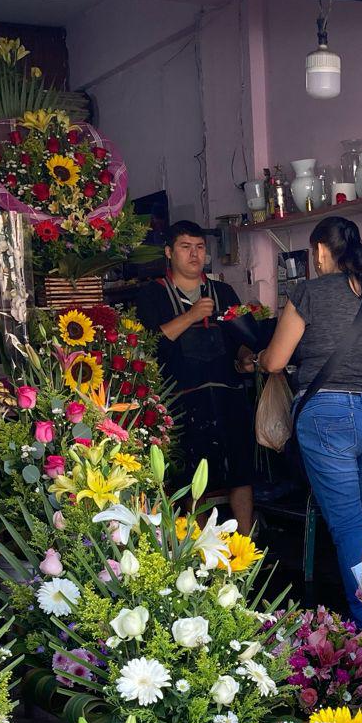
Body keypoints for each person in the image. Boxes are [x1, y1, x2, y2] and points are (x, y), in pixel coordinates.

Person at [260, 216, 362, 625]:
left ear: (321, 251)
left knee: (346, 527)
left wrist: (253, 359)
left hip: (328, 415)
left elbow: (275, 360)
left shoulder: (307, 291)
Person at [135, 220, 257, 532]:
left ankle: (246, 547)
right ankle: (199, 552)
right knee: (190, 481)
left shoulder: (224, 291)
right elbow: (150, 343)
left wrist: (245, 356)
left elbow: (243, 338)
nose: (194, 254)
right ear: (168, 252)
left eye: (200, 247)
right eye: (186, 247)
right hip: (179, 403)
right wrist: (191, 315)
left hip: (227, 397)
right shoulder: (152, 295)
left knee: (241, 474)